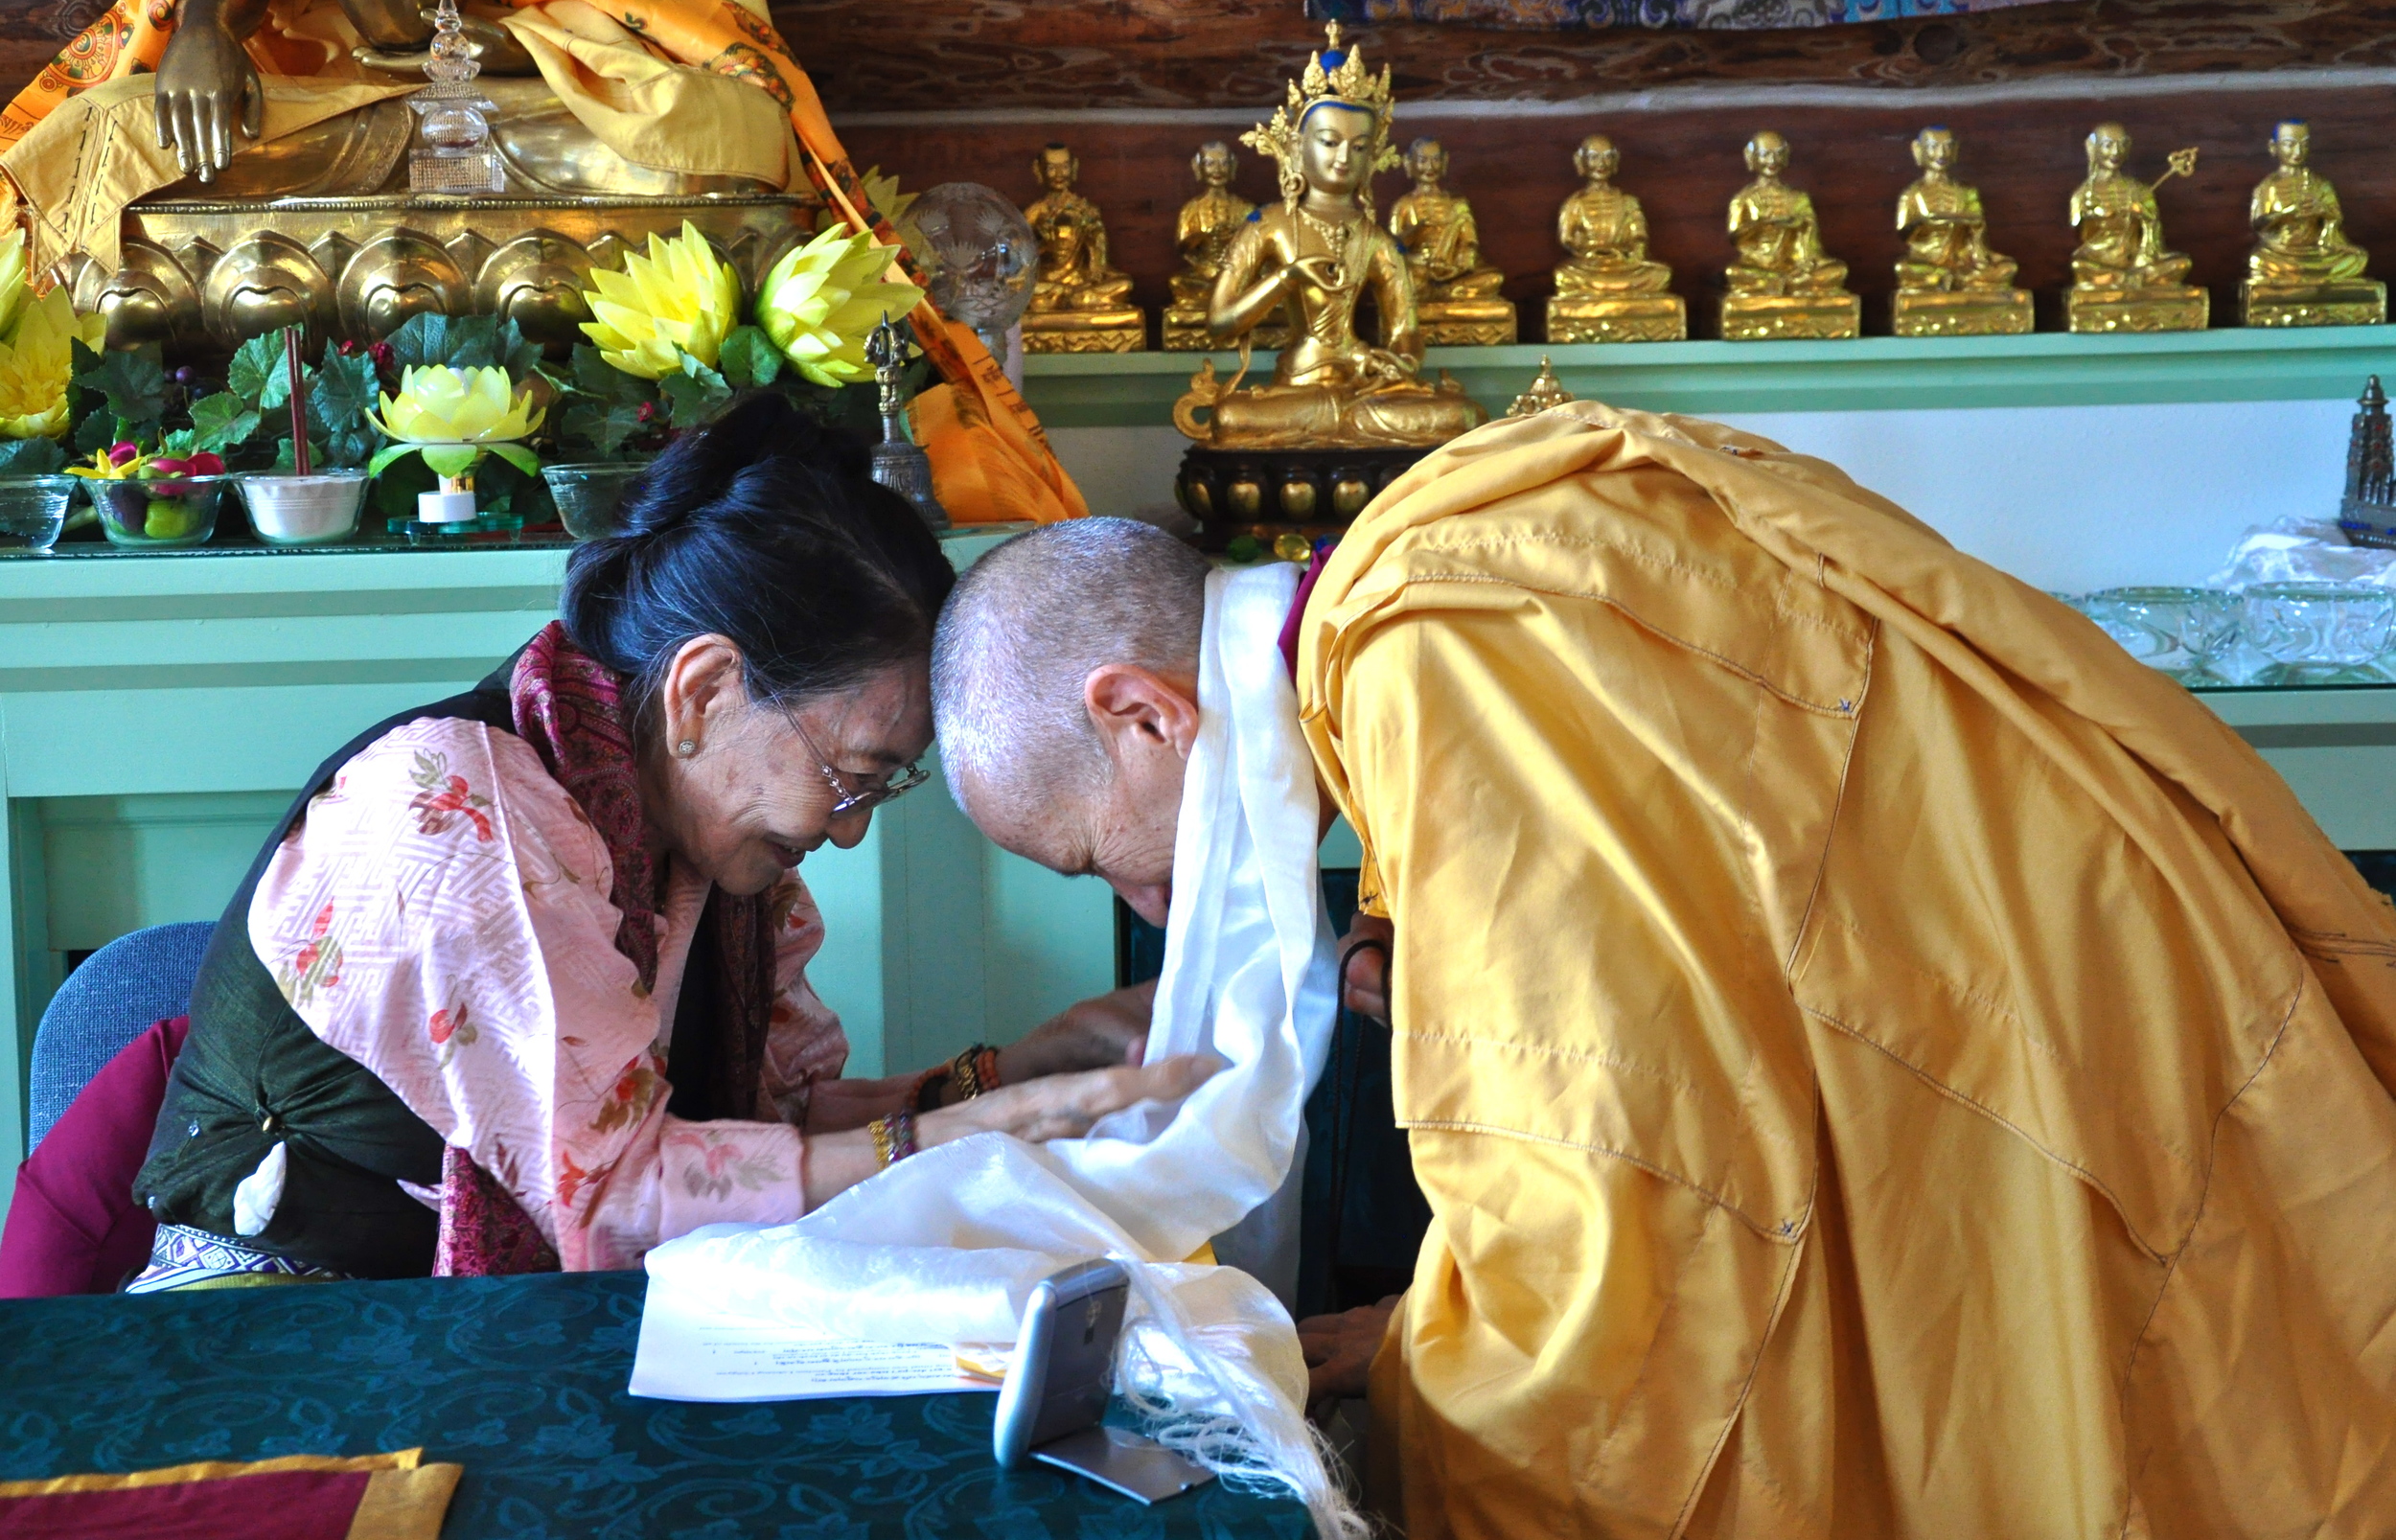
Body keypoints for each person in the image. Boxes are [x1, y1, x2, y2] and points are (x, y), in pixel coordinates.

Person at [928, 408, 2396, 1536]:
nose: (1144, 900)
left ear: (1141, 713)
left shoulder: (1430, 660)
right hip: (2098, 993)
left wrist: (1404, 1360)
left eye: (1097, 857)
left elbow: (1613, 1201)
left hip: (2068, 1062)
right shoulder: (1437, 560)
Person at [126, 394, 1209, 1292]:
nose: (847, 826)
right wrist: (990, 1126)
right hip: (281, 1343)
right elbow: (624, 1200)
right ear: (703, 690)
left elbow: (763, 1132)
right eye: (852, 775)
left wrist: (1023, 1065)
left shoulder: (705, 848)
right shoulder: (456, 812)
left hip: (468, 1333)